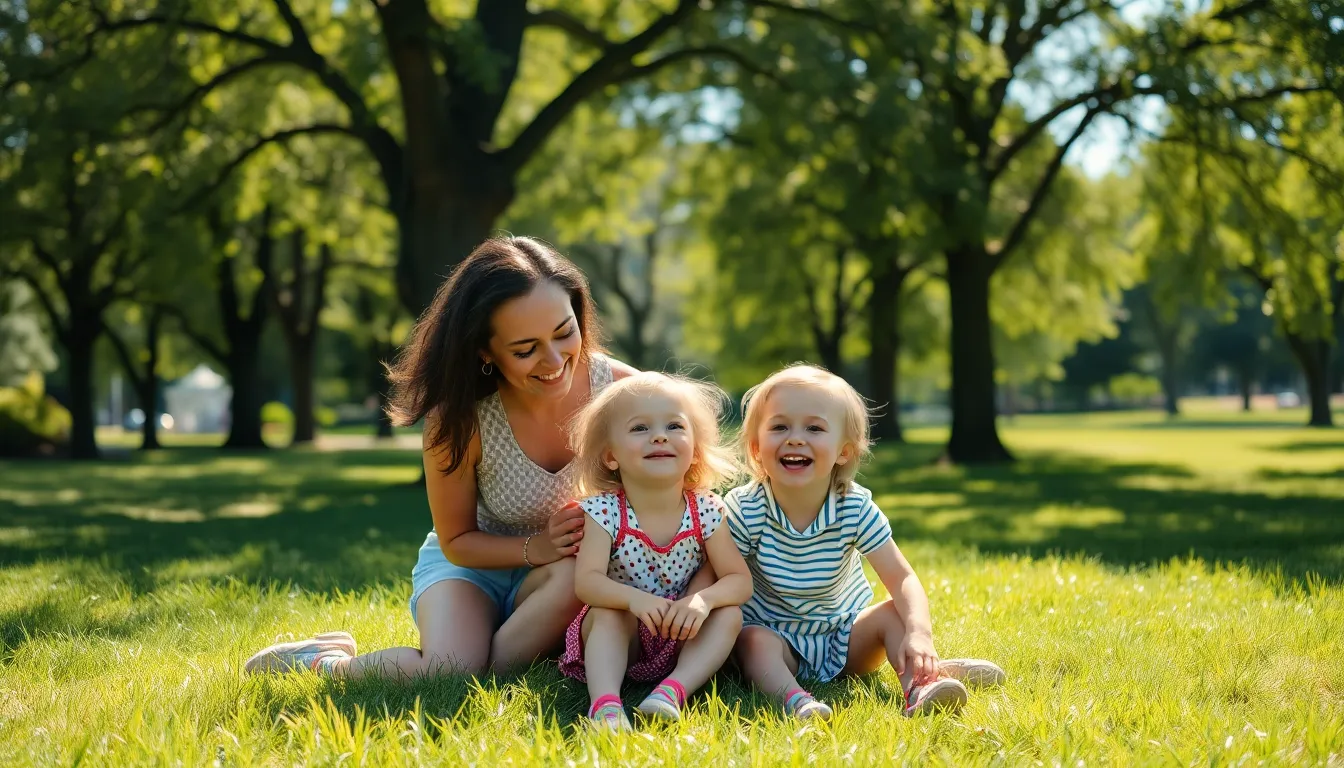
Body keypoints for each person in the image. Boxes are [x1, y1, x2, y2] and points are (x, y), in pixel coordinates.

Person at [244, 236, 635, 678]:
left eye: (565, 332)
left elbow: (682, 477)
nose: (553, 359)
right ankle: (321, 663)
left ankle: (492, 662)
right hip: (471, 570)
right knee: (449, 671)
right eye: (525, 349)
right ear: (485, 351)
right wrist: (537, 546)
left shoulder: (624, 394)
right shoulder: (458, 420)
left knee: (574, 575)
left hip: (559, 579)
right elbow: (457, 542)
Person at [727, 364, 1006, 719]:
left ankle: (921, 684)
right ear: (756, 447)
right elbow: (720, 578)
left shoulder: (854, 506)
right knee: (752, 641)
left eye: (814, 428)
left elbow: (902, 578)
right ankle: (799, 702)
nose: (795, 438)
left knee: (894, 613)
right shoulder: (745, 509)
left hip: (845, 639)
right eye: (780, 426)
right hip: (777, 645)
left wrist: (919, 633)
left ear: (844, 451)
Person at [558, 372, 752, 730]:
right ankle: (606, 706)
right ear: (611, 456)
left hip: (681, 632)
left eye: (675, 426)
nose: (660, 435)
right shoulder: (604, 511)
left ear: (694, 450)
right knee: (607, 613)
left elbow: (739, 580)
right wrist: (635, 601)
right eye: (640, 428)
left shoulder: (706, 510)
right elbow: (587, 583)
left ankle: (671, 692)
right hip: (625, 634)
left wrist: (702, 602)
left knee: (730, 616)